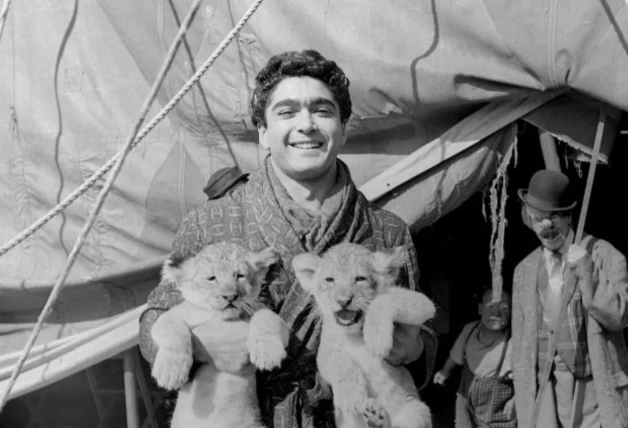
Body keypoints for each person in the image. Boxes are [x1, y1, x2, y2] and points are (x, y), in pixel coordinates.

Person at [138, 49, 438, 428]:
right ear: (263, 132)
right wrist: (199, 346)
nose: (307, 124)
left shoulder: (386, 231)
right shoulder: (209, 223)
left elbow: (424, 337)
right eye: (287, 112)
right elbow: (155, 321)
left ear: (343, 129)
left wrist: (412, 348)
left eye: (323, 111)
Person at [511, 169, 628, 428]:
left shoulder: (604, 255)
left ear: (569, 216)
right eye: (538, 218)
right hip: (545, 386)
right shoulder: (524, 270)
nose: (547, 226)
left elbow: (620, 316)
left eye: (554, 217)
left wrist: (589, 273)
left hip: (593, 385)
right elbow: (520, 344)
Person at [433, 288, 515, 428]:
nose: (496, 313)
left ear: (511, 313)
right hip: (465, 400)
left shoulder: (512, 342)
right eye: (490, 306)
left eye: (504, 308)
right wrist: (445, 371)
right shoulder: (469, 330)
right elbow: (455, 355)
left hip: (496, 409)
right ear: (480, 309)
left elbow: (523, 378)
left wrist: (515, 400)